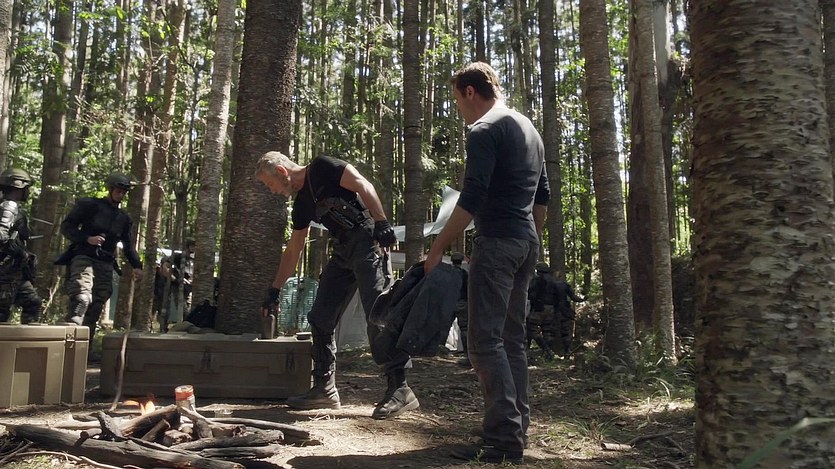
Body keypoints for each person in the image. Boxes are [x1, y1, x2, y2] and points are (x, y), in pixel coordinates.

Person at [424, 62, 549, 465]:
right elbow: (542, 195)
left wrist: (438, 246)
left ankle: (502, 439)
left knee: (484, 341)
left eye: (457, 100)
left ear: (470, 92)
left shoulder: (484, 129)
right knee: (511, 339)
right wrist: (531, 238)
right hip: (525, 242)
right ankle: (514, 428)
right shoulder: (528, 128)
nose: (459, 109)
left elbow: (473, 193)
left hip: (497, 243)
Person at [256, 151, 418, 420]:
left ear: (282, 172)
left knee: (378, 314)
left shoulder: (322, 167)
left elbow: (362, 184)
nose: (272, 191)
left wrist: (381, 222)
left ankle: (400, 388)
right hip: (343, 250)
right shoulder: (301, 204)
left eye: (270, 184)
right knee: (320, 316)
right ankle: (324, 389)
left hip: (368, 241)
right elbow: (294, 249)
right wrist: (275, 289)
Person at [56, 172, 143, 342]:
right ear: (110, 189)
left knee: (96, 306)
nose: (121, 194)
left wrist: (137, 266)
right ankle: (69, 343)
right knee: (81, 299)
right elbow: (67, 227)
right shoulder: (90, 205)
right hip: (84, 257)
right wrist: (87, 238)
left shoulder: (124, 218)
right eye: (118, 191)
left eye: (124, 192)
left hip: (105, 263)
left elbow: (128, 246)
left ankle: (85, 347)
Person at [0, 168, 41, 324]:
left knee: (33, 302)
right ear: (19, 186)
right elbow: (1, 235)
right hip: (6, 272)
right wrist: (18, 251)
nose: (28, 192)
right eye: (27, 187)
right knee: (2, 313)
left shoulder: (10, 206)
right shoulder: (9, 206)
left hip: (15, 272)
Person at [158, 239, 195, 332]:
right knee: (183, 311)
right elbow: (164, 267)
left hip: (190, 288)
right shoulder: (178, 257)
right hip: (178, 287)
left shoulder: (194, 260)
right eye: (193, 246)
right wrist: (174, 278)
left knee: (190, 311)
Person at [526, 262, 557, 361]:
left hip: (539, 308)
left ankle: (547, 350)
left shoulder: (537, 280)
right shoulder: (553, 280)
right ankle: (548, 354)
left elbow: (532, 294)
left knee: (532, 330)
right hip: (550, 308)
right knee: (547, 331)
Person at [551, 270, 585, 359]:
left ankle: (551, 351)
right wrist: (582, 299)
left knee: (551, 331)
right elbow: (573, 297)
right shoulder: (565, 285)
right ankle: (566, 351)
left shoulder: (549, 285)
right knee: (565, 331)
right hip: (564, 311)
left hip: (553, 310)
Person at [450, 252, 471, 368]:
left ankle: (438, 349)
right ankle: (467, 354)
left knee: (443, 327)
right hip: (462, 302)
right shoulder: (464, 274)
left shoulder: (448, 273)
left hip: (448, 302)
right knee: (464, 328)